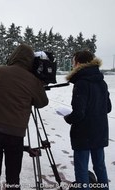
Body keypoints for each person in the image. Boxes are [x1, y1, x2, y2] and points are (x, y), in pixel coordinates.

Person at [0, 44, 49, 189]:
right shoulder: (32, 79)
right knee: (13, 172)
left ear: (14, 56)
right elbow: (42, 102)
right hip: (15, 132)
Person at [64, 50, 111, 190]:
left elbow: (79, 113)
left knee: (81, 169)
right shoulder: (101, 82)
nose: (73, 66)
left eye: (73, 62)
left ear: (78, 63)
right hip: (100, 131)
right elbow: (108, 108)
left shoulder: (81, 83)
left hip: (84, 133)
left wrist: (67, 117)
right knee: (100, 166)